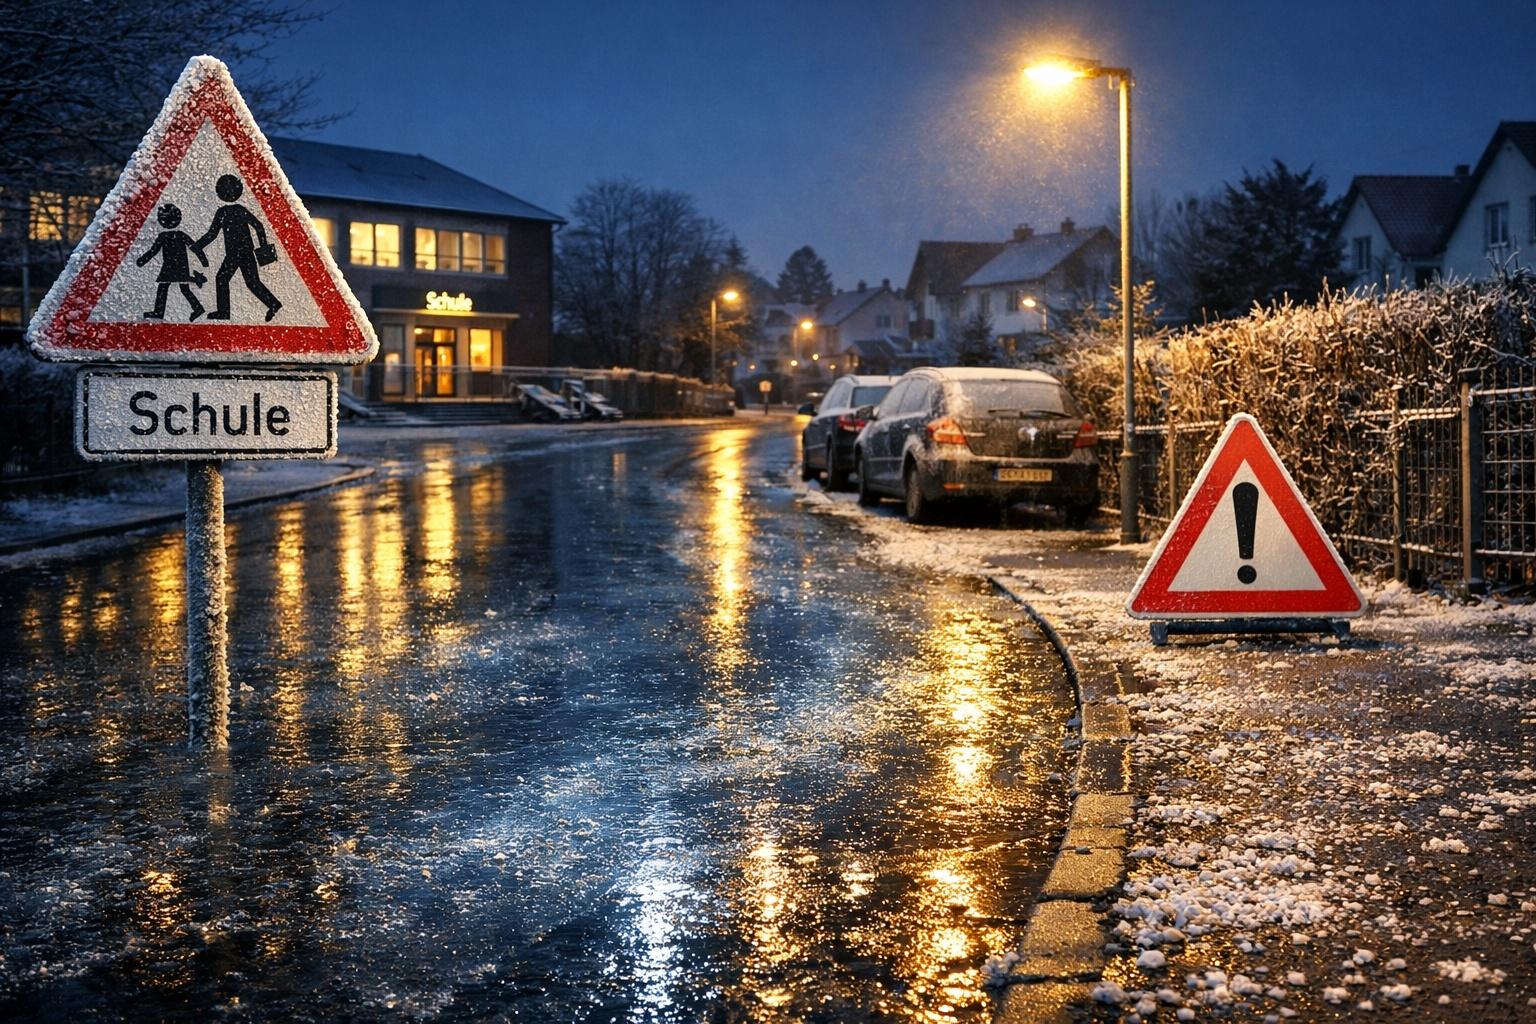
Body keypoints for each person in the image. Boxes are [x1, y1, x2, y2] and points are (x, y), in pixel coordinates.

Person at [194, 174, 283, 322]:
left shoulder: (223, 212)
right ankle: (273, 303)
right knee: (251, 282)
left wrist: (198, 246)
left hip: (235, 253)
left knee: (223, 278)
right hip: (244, 251)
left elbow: (212, 234)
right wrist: (263, 246)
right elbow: (258, 227)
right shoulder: (239, 210)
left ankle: (224, 312)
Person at [135, 203, 207, 321]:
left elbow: (153, 251)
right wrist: (203, 259)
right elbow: (194, 247)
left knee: (165, 287)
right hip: (180, 266)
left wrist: (143, 260)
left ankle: (160, 311)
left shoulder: (163, 236)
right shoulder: (180, 235)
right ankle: (197, 307)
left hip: (170, 266)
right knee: (182, 288)